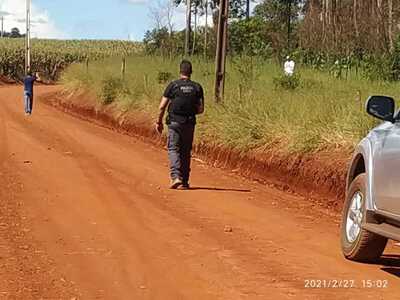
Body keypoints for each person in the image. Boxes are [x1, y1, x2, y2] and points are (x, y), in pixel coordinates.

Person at [156, 60, 205, 190]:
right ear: (191, 72)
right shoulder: (197, 87)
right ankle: (184, 181)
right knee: (185, 151)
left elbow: (162, 107)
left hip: (174, 122)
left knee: (173, 149)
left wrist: (159, 122)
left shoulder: (173, 85)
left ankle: (176, 176)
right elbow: (201, 109)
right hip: (189, 123)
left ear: (180, 72)